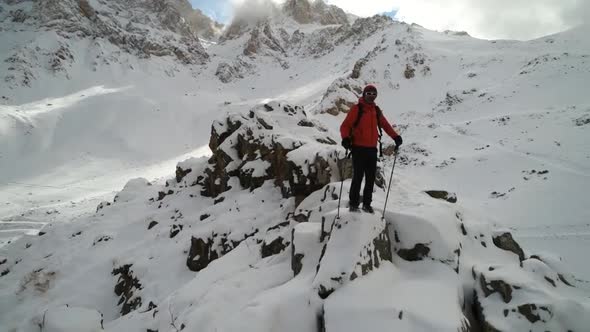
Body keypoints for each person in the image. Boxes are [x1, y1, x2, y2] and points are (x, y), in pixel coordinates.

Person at [340, 84, 403, 213]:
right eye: (369, 94)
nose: (371, 96)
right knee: (357, 177)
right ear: (364, 94)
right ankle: (353, 204)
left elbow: (385, 125)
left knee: (370, 179)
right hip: (358, 148)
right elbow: (345, 126)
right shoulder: (357, 109)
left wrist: (395, 137)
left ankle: (367, 204)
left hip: (372, 150)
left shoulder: (376, 110)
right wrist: (345, 138)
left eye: (374, 94)